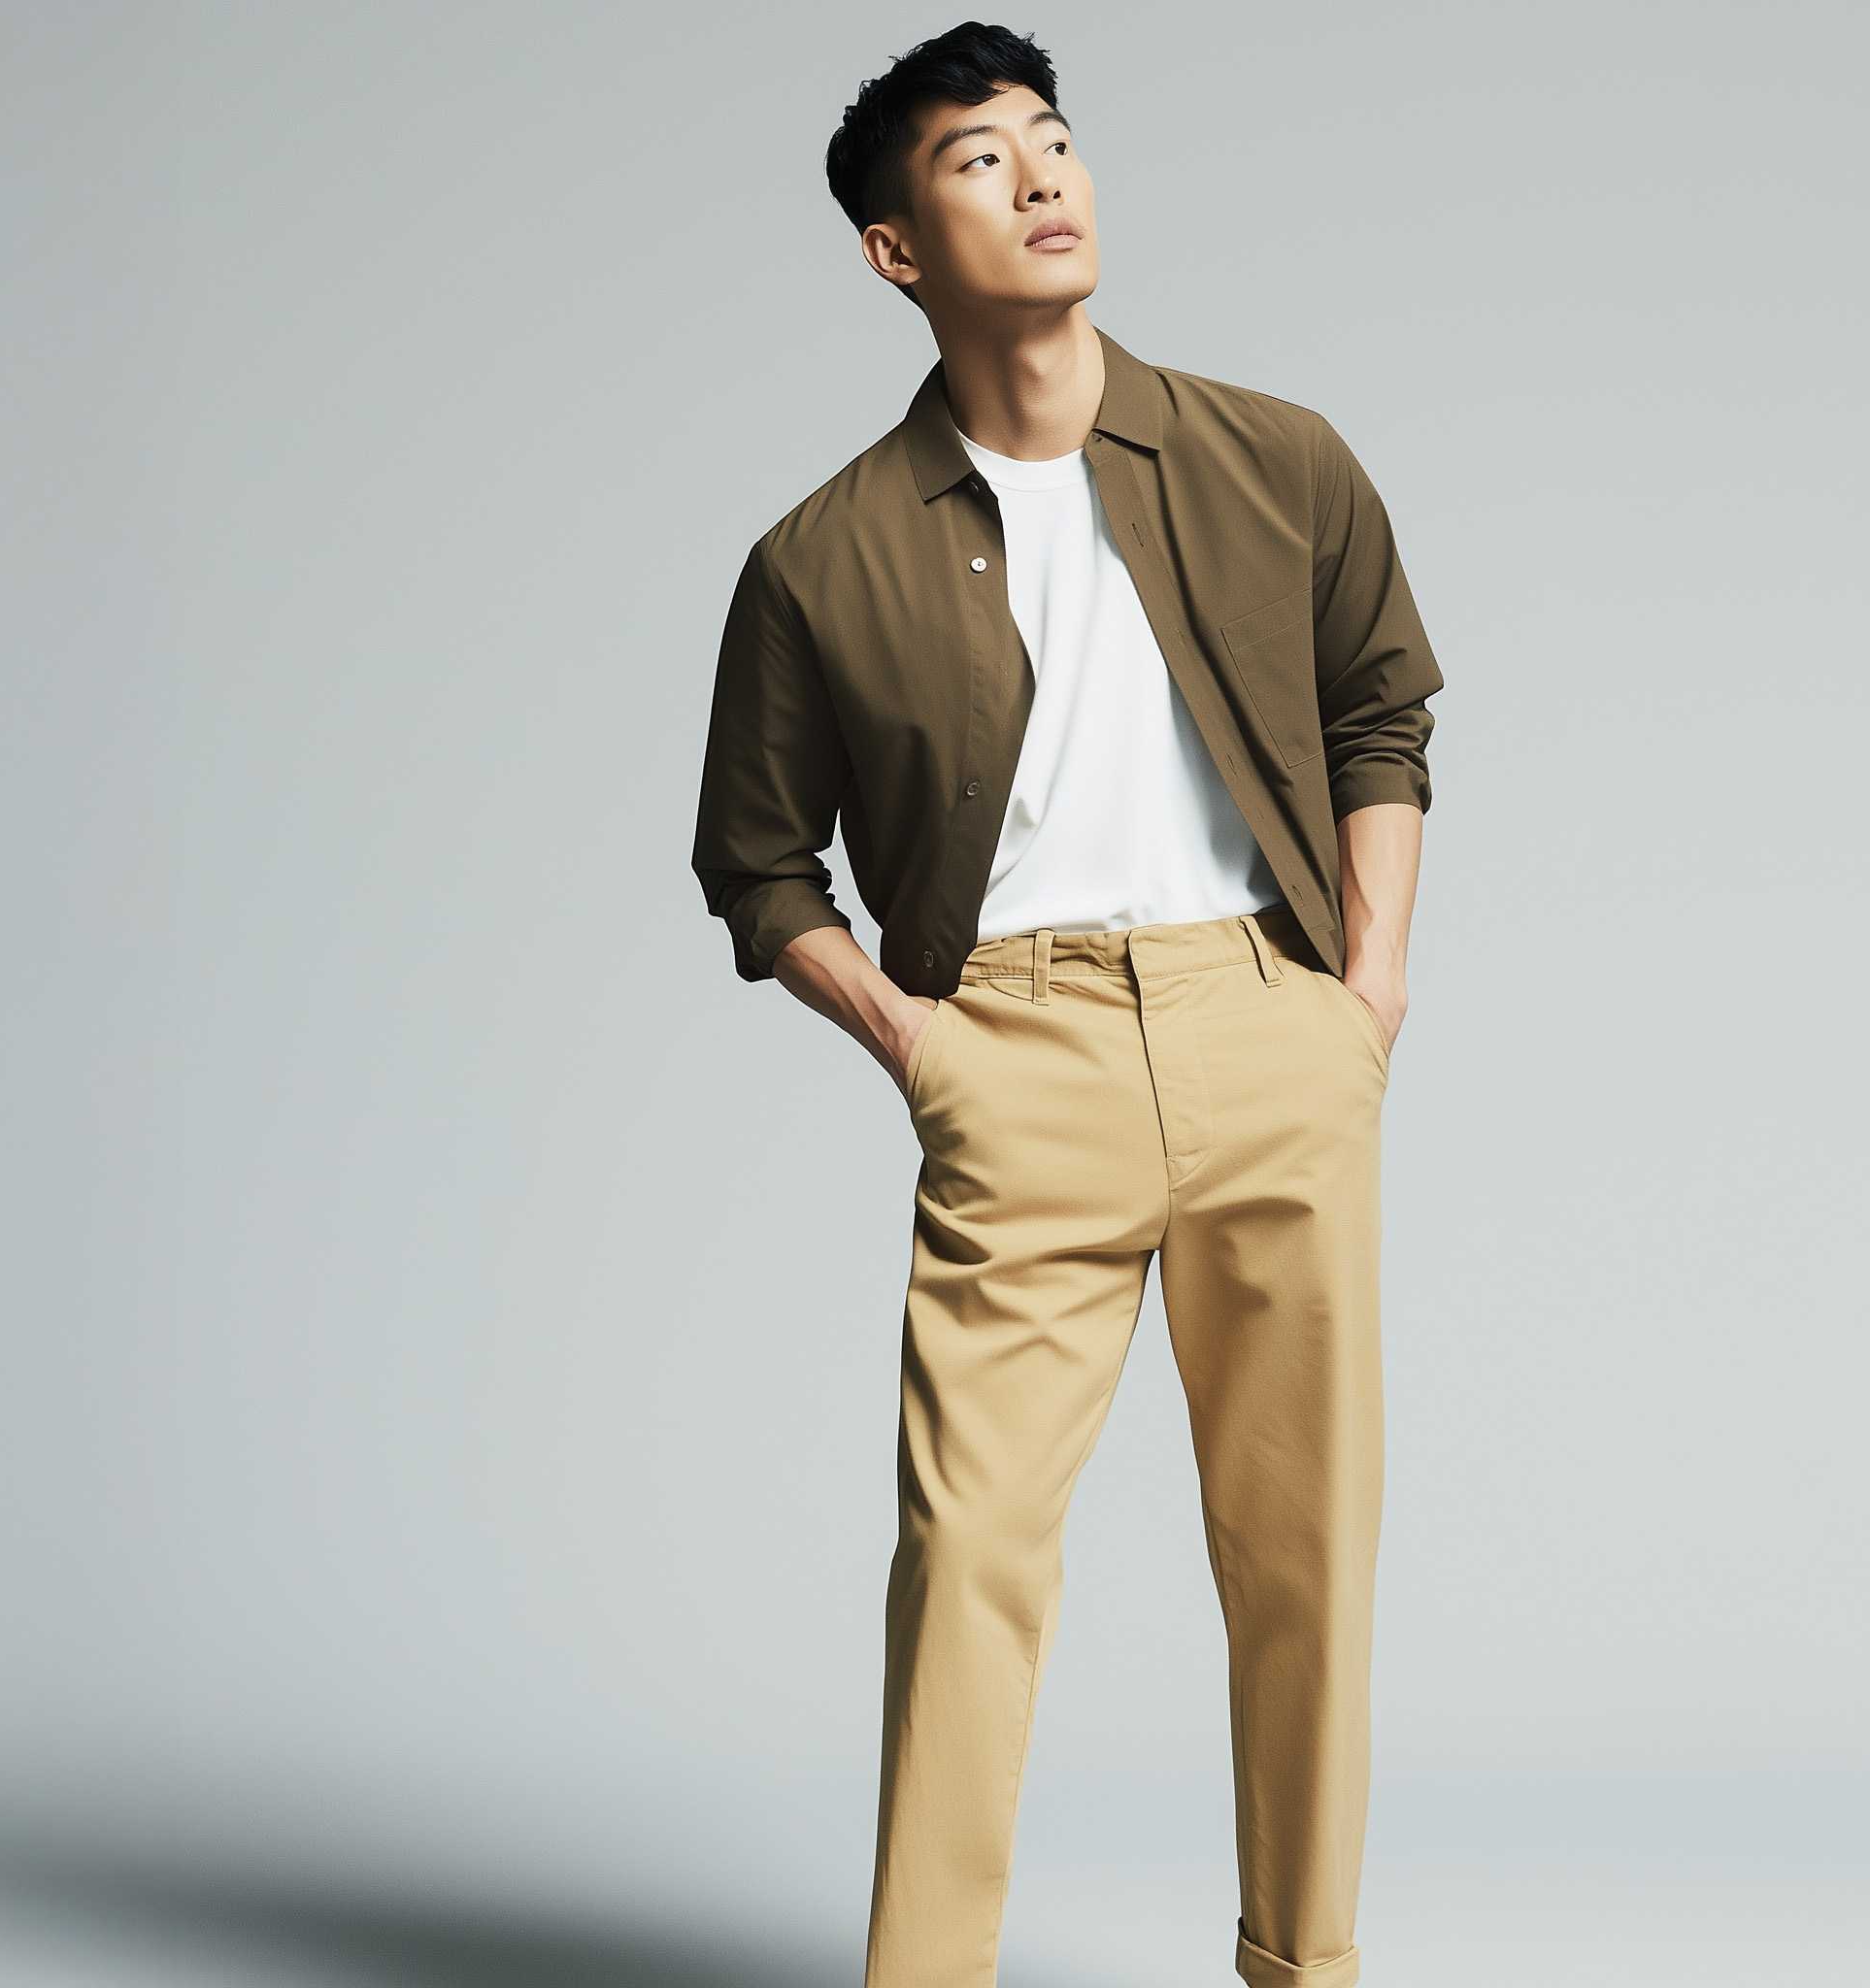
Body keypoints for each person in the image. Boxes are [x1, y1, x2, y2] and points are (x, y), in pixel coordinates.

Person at [688, 23, 1445, 1987]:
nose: (1038, 177)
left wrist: (1362, 993)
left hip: (1269, 1021)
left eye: (1052, 137)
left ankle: (1305, 1969)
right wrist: (923, 1048)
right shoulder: (820, 559)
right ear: (894, 250)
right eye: (976, 159)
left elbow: (1381, 714)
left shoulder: (1276, 458)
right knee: (968, 1559)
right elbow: (757, 866)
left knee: (1305, 1554)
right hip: (1011, 1055)